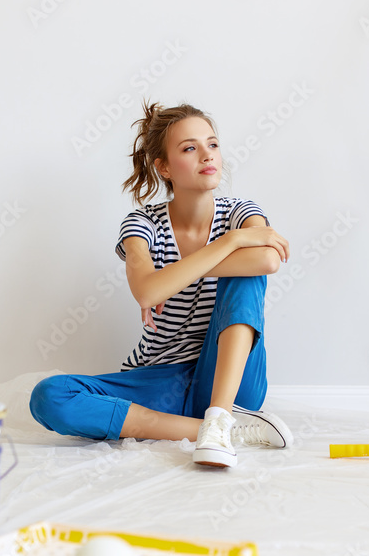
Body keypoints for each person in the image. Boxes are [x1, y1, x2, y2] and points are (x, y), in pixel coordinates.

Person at [30, 102, 292, 468]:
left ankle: (219, 416)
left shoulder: (239, 212)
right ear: (164, 167)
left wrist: (171, 274)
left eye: (212, 144)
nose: (207, 155)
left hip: (229, 380)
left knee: (245, 276)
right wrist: (228, 244)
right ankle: (211, 428)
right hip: (157, 378)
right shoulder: (143, 222)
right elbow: (147, 292)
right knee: (50, 396)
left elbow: (267, 260)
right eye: (190, 148)